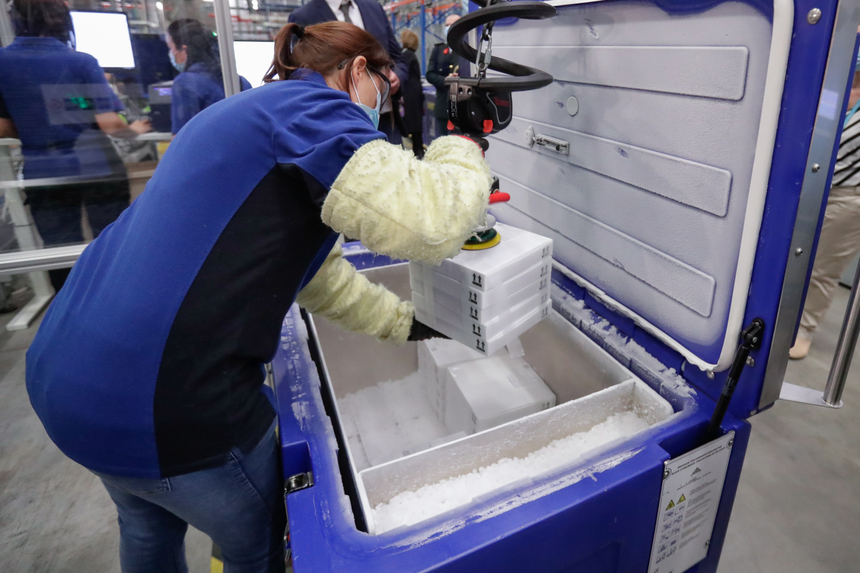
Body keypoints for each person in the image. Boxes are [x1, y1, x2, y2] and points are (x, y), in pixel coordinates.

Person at [25, 21, 491, 573]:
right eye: (383, 90)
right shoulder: (315, 111)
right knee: (260, 547)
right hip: (163, 406)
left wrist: (403, 323)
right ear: (357, 70)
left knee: (148, 525)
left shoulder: (251, 115)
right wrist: (462, 147)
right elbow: (432, 224)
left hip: (68, 376)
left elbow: (317, 277)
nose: (380, 108)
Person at [0, 0, 150, 290]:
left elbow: (3, 126)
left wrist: (36, 128)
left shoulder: (3, 62)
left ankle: (69, 304)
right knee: (111, 239)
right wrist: (134, 130)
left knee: (59, 247)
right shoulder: (81, 61)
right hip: (96, 164)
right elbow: (110, 123)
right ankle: (115, 296)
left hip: (44, 169)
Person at [790, 60, 860, 360]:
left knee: (823, 267)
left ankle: (804, 331)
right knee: (791, 256)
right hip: (809, 189)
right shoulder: (834, 82)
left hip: (848, 197)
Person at [288, 0, 407, 144]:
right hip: (335, 126)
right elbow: (300, 75)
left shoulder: (374, 8)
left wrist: (396, 76)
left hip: (385, 118)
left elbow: (397, 58)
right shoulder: (304, 16)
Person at [166, 19, 252, 135]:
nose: (171, 53)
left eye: (171, 48)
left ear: (184, 50)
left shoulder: (185, 83)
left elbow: (180, 138)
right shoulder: (240, 81)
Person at [426, 14, 461, 139]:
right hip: (442, 105)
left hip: (461, 108)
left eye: (452, 24)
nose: (449, 28)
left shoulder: (468, 50)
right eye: (447, 25)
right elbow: (430, 74)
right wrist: (445, 80)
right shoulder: (438, 50)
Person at [398, 29, 425, 158]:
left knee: (413, 126)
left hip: (409, 94)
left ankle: (417, 151)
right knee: (416, 126)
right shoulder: (411, 55)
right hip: (414, 94)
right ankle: (418, 151)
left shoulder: (405, 55)